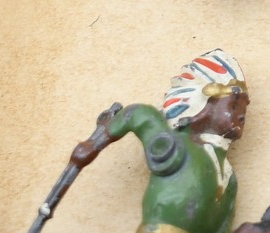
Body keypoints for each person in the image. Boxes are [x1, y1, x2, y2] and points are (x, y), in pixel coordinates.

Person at [68, 50, 250, 233]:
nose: (242, 115)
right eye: (234, 105)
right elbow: (138, 114)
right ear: (206, 102)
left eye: (244, 108)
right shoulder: (178, 145)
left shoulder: (230, 179)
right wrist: (95, 143)